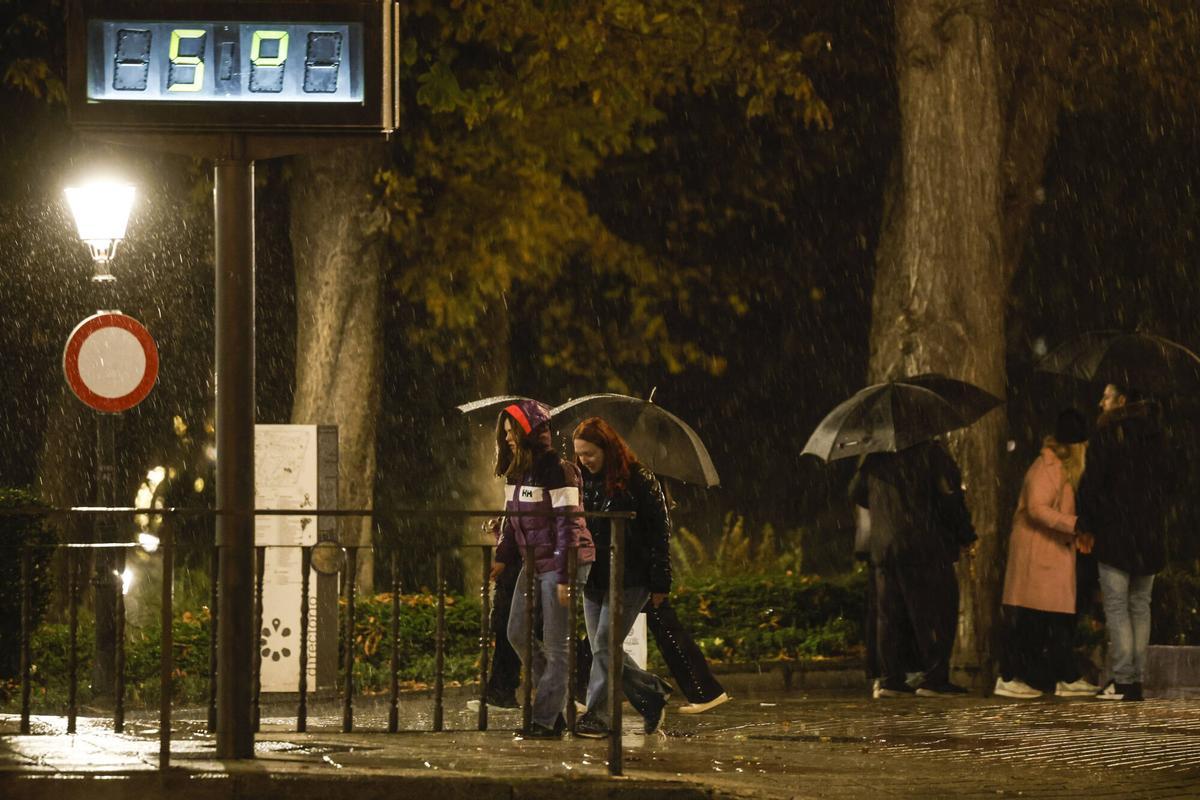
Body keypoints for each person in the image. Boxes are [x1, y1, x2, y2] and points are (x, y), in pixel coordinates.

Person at [492, 399, 595, 737]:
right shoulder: (517, 472)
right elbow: (512, 521)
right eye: (505, 433)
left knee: (556, 645)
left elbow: (569, 525)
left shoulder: (559, 470)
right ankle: (555, 703)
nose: (508, 438)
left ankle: (546, 720)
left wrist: (565, 576)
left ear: (530, 433)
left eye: (512, 432)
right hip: (534, 561)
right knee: (516, 633)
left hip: (563, 562)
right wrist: (502, 557)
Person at [570, 417, 674, 738]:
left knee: (604, 644)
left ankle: (598, 716)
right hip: (593, 576)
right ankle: (652, 692)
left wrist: (660, 581)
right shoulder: (580, 481)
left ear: (607, 448)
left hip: (630, 576)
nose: (584, 460)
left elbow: (659, 531)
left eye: (589, 453)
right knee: (604, 648)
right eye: (579, 454)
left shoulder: (639, 478)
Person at [849, 438, 976, 697]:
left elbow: (856, 492)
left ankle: (890, 679)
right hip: (924, 544)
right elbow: (950, 499)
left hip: (885, 546)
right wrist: (966, 534)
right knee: (937, 611)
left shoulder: (876, 455)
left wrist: (887, 504)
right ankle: (934, 679)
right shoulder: (931, 452)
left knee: (889, 615)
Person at [994, 409, 1099, 699]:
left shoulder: (1055, 467)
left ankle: (1059, 675)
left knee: (1050, 620)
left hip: (1049, 554)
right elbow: (1036, 508)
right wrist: (1074, 525)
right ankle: (1014, 676)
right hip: (1039, 555)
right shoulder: (1047, 467)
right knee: (1039, 619)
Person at [1076, 383, 1171, 702]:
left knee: (1117, 606)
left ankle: (1122, 679)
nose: (1101, 402)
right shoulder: (1158, 436)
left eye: (1106, 396)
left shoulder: (1107, 435)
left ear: (1122, 400)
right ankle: (1135, 680)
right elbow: (1171, 483)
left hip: (1115, 533)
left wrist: (1088, 524)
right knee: (1140, 605)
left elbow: (1091, 485)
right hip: (1149, 534)